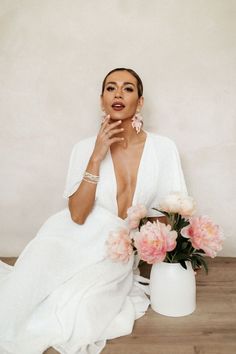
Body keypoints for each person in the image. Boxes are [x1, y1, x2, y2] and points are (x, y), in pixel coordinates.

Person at [0, 68, 187, 354]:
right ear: (102, 100)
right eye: (111, 88)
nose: (118, 94)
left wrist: (141, 241)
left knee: (79, 307)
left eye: (127, 88)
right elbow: (77, 214)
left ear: (140, 101)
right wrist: (97, 155)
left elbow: (171, 213)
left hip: (114, 250)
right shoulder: (84, 147)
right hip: (67, 238)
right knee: (23, 290)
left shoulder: (163, 148)